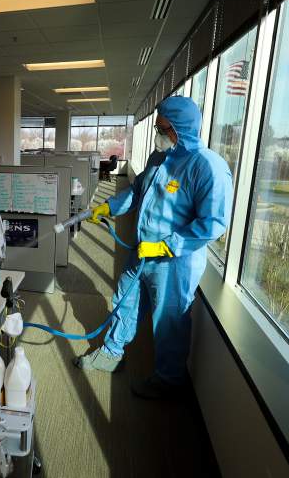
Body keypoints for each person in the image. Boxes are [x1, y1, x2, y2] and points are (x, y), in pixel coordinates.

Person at [74, 96, 232, 400]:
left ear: (180, 129)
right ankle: (111, 351)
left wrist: (165, 246)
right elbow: (136, 192)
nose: (157, 133)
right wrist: (109, 206)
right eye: (157, 127)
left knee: (168, 320)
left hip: (175, 263)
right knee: (125, 300)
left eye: (162, 128)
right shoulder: (158, 158)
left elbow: (212, 224)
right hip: (142, 249)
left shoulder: (207, 166)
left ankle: (169, 380)